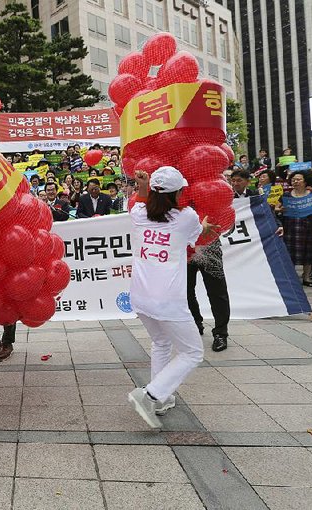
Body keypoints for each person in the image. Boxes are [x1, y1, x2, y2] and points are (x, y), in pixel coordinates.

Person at [127, 167, 216, 429]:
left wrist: (143, 189)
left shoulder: (137, 213)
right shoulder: (187, 216)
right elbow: (194, 235)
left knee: (161, 342)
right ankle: (150, 395)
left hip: (141, 297)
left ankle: (160, 399)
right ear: (178, 193)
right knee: (192, 352)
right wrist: (204, 227)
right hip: (167, 300)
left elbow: (147, 205)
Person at [280, 172, 312, 286]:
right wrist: (280, 210)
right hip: (291, 226)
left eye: (298, 179)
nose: (295, 181)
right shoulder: (286, 195)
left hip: (308, 226)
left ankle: (306, 278)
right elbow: (277, 208)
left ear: (305, 181)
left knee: (308, 252)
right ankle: (291, 277)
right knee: (290, 252)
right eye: (293, 180)